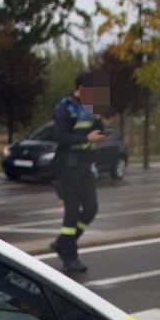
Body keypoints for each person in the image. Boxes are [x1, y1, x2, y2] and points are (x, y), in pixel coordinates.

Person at [50, 73, 108, 275]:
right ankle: (69, 257)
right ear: (81, 89)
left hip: (85, 163)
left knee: (91, 208)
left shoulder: (91, 107)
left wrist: (99, 122)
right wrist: (86, 137)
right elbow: (60, 136)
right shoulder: (65, 107)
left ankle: (63, 243)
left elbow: (99, 131)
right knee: (72, 212)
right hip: (68, 164)